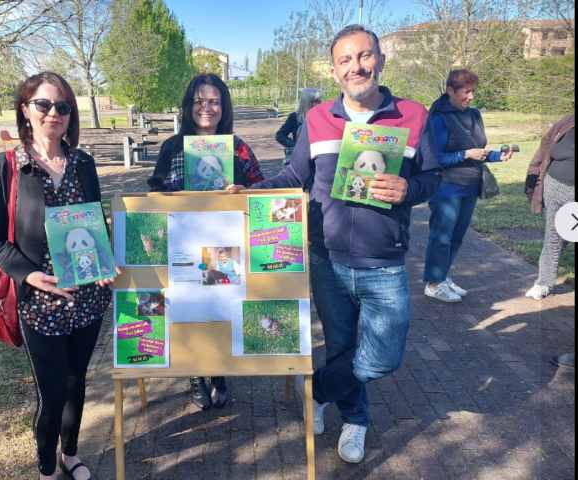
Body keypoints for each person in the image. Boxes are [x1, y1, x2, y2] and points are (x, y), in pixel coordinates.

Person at [229, 24, 440, 464]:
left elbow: (432, 178)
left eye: (364, 56)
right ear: (334, 69)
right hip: (327, 259)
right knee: (343, 346)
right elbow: (294, 177)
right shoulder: (318, 118)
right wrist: (252, 192)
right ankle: (356, 421)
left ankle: (318, 389)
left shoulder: (414, 115)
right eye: (345, 60)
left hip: (384, 261)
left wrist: (409, 189)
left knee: (384, 355)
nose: (356, 66)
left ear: (380, 60)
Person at [0, 71, 118, 480]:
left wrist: (105, 263)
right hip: (40, 302)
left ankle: (69, 455)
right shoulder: (5, 167)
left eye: (63, 107)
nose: (54, 113)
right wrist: (29, 276)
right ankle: (45, 468)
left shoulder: (83, 163)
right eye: (44, 105)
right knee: (52, 392)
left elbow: (96, 223)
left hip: (89, 296)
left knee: (77, 383)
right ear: (25, 109)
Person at [148, 72, 264, 411]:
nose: (206, 108)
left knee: (219, 305)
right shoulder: (172, 146)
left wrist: (244, 191)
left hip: (224, 244)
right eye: (199, 101)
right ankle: (196, 373)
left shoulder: (238, 147)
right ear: (189, 105)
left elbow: (261, 186)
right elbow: (154, 190)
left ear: (223, 106)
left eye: (214, 101)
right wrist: (171, 195)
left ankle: (219, 369)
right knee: (188, 306)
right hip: (183, 244)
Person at [422, 69, 514, 303]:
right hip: (446, 187)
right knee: (441, 237)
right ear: (450, 90)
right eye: (466, 91)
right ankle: (433, 284)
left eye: (473, 91)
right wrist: (465, 154)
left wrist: (497, 156)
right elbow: (436, 158)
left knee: (457, 237)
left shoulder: (474, 115)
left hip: (470, 185)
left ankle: (443, 276)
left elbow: (478, 151)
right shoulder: (438, 118)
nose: (471, 96)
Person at [524, 113, 574, 303]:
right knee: (553, 237)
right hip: (554, 187)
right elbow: (545, 146)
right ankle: (543, 283)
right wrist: (533, 174)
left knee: (570, 236)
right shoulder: (568, 122)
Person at [275, 88, 322, 165]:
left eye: (320, 101)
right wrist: (295, 146)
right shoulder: (294, 117)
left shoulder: (323, 117)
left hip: (319, 160)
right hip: (300, 161)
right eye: (316, 101)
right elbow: (280, 135)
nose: (320, 103)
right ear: (307, 102)